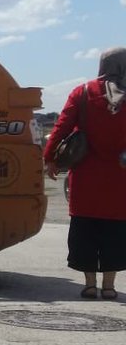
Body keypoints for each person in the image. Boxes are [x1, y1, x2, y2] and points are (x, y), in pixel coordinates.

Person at [43, 47, 126, 300]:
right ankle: (109, 287)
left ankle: (90, 286)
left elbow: (62, 126)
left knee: (85, 229)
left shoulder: (83, 92)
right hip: (120, 178)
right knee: (116, 231)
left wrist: (49, 158)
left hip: (86, 174)